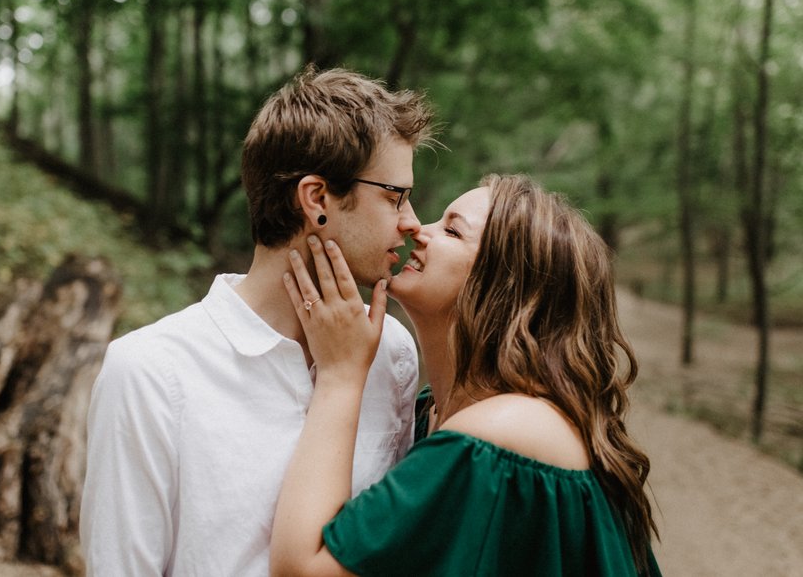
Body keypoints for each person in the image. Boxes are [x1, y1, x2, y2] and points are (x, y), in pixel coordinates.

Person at [79, 66, 436, 575]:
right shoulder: (149, 373)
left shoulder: (391, 349)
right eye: (394, 195)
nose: (412, 222)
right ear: (316, 199)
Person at [271, 174, 661, 577]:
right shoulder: (433, 412)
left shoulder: (501, 437)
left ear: (505, 286)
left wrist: (340, 373)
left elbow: (302, 569)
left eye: (452, 231)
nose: (417, 230)